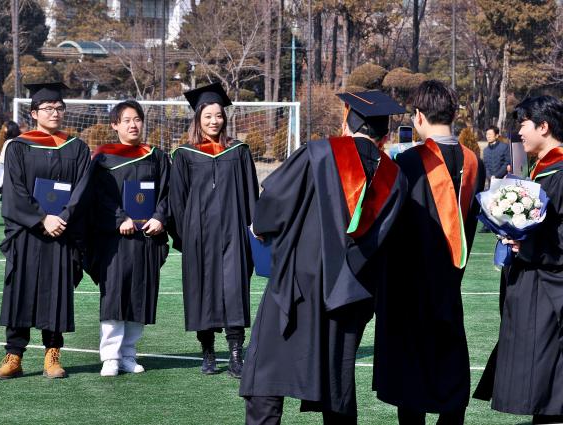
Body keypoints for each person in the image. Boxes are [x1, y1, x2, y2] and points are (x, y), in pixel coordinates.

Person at [240, 91, 408, 424]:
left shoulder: (319, 153)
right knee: (338, 387)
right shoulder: (395, 177)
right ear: (385, 136)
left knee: (267, 379)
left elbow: (274, 199)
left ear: (347, 122)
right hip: (351, 295)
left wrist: (260, 227)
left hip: (297, 287)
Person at [373, 80, 485, 425]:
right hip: (451, 280)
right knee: (449, 360)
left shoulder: (409, 162)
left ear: (418, 116)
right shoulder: (474, 163)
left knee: (411, 376)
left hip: (409, 286)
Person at [0, 82, 91, 380]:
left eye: (59, 108)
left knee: (56, 293)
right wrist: (40, 219)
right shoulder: (19, 147)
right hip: (28, 234)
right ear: (34, 113)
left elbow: (82, 191)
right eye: (48, 109)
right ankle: (14, 356)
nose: (55, 113)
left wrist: (62, 217)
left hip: (62, 233)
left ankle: (52, 354)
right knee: (19, 292)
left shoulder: (77, 148)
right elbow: (14, 192)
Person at [477, 96, 563, 425]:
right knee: (541, 390)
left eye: (524, 124)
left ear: (544, 126)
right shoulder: (535, 171)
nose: (519, 132)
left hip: (549, 294)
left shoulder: (559, 173)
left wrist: (524, 245)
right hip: (530, 288)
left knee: (551, 389)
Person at [169, 83, 259, 378]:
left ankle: (235, 353)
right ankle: (207, 351)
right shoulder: (184, 155)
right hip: (199, 237)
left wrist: (253, 230)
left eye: (218, 115)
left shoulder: (239, 151)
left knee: (234, 290)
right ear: (197, 119)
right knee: (202, 291)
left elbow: (250, 196)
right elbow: (177, 200)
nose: (213, 121)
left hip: (234, 234)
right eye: (207, 116)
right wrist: (187, 235)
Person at [85, 100, 170, 377]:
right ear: (115, 125)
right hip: (115, 240)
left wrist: (160, 216)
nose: (133, 125)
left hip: (146, 238)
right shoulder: (103, 158)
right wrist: (120, 217)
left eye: (137, 119)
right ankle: (110, 356)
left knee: (139, 295)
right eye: (126, 120)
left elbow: (168, 192)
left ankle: (129, 354)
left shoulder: (155, 156)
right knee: (113, 297)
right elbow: (97, 196)